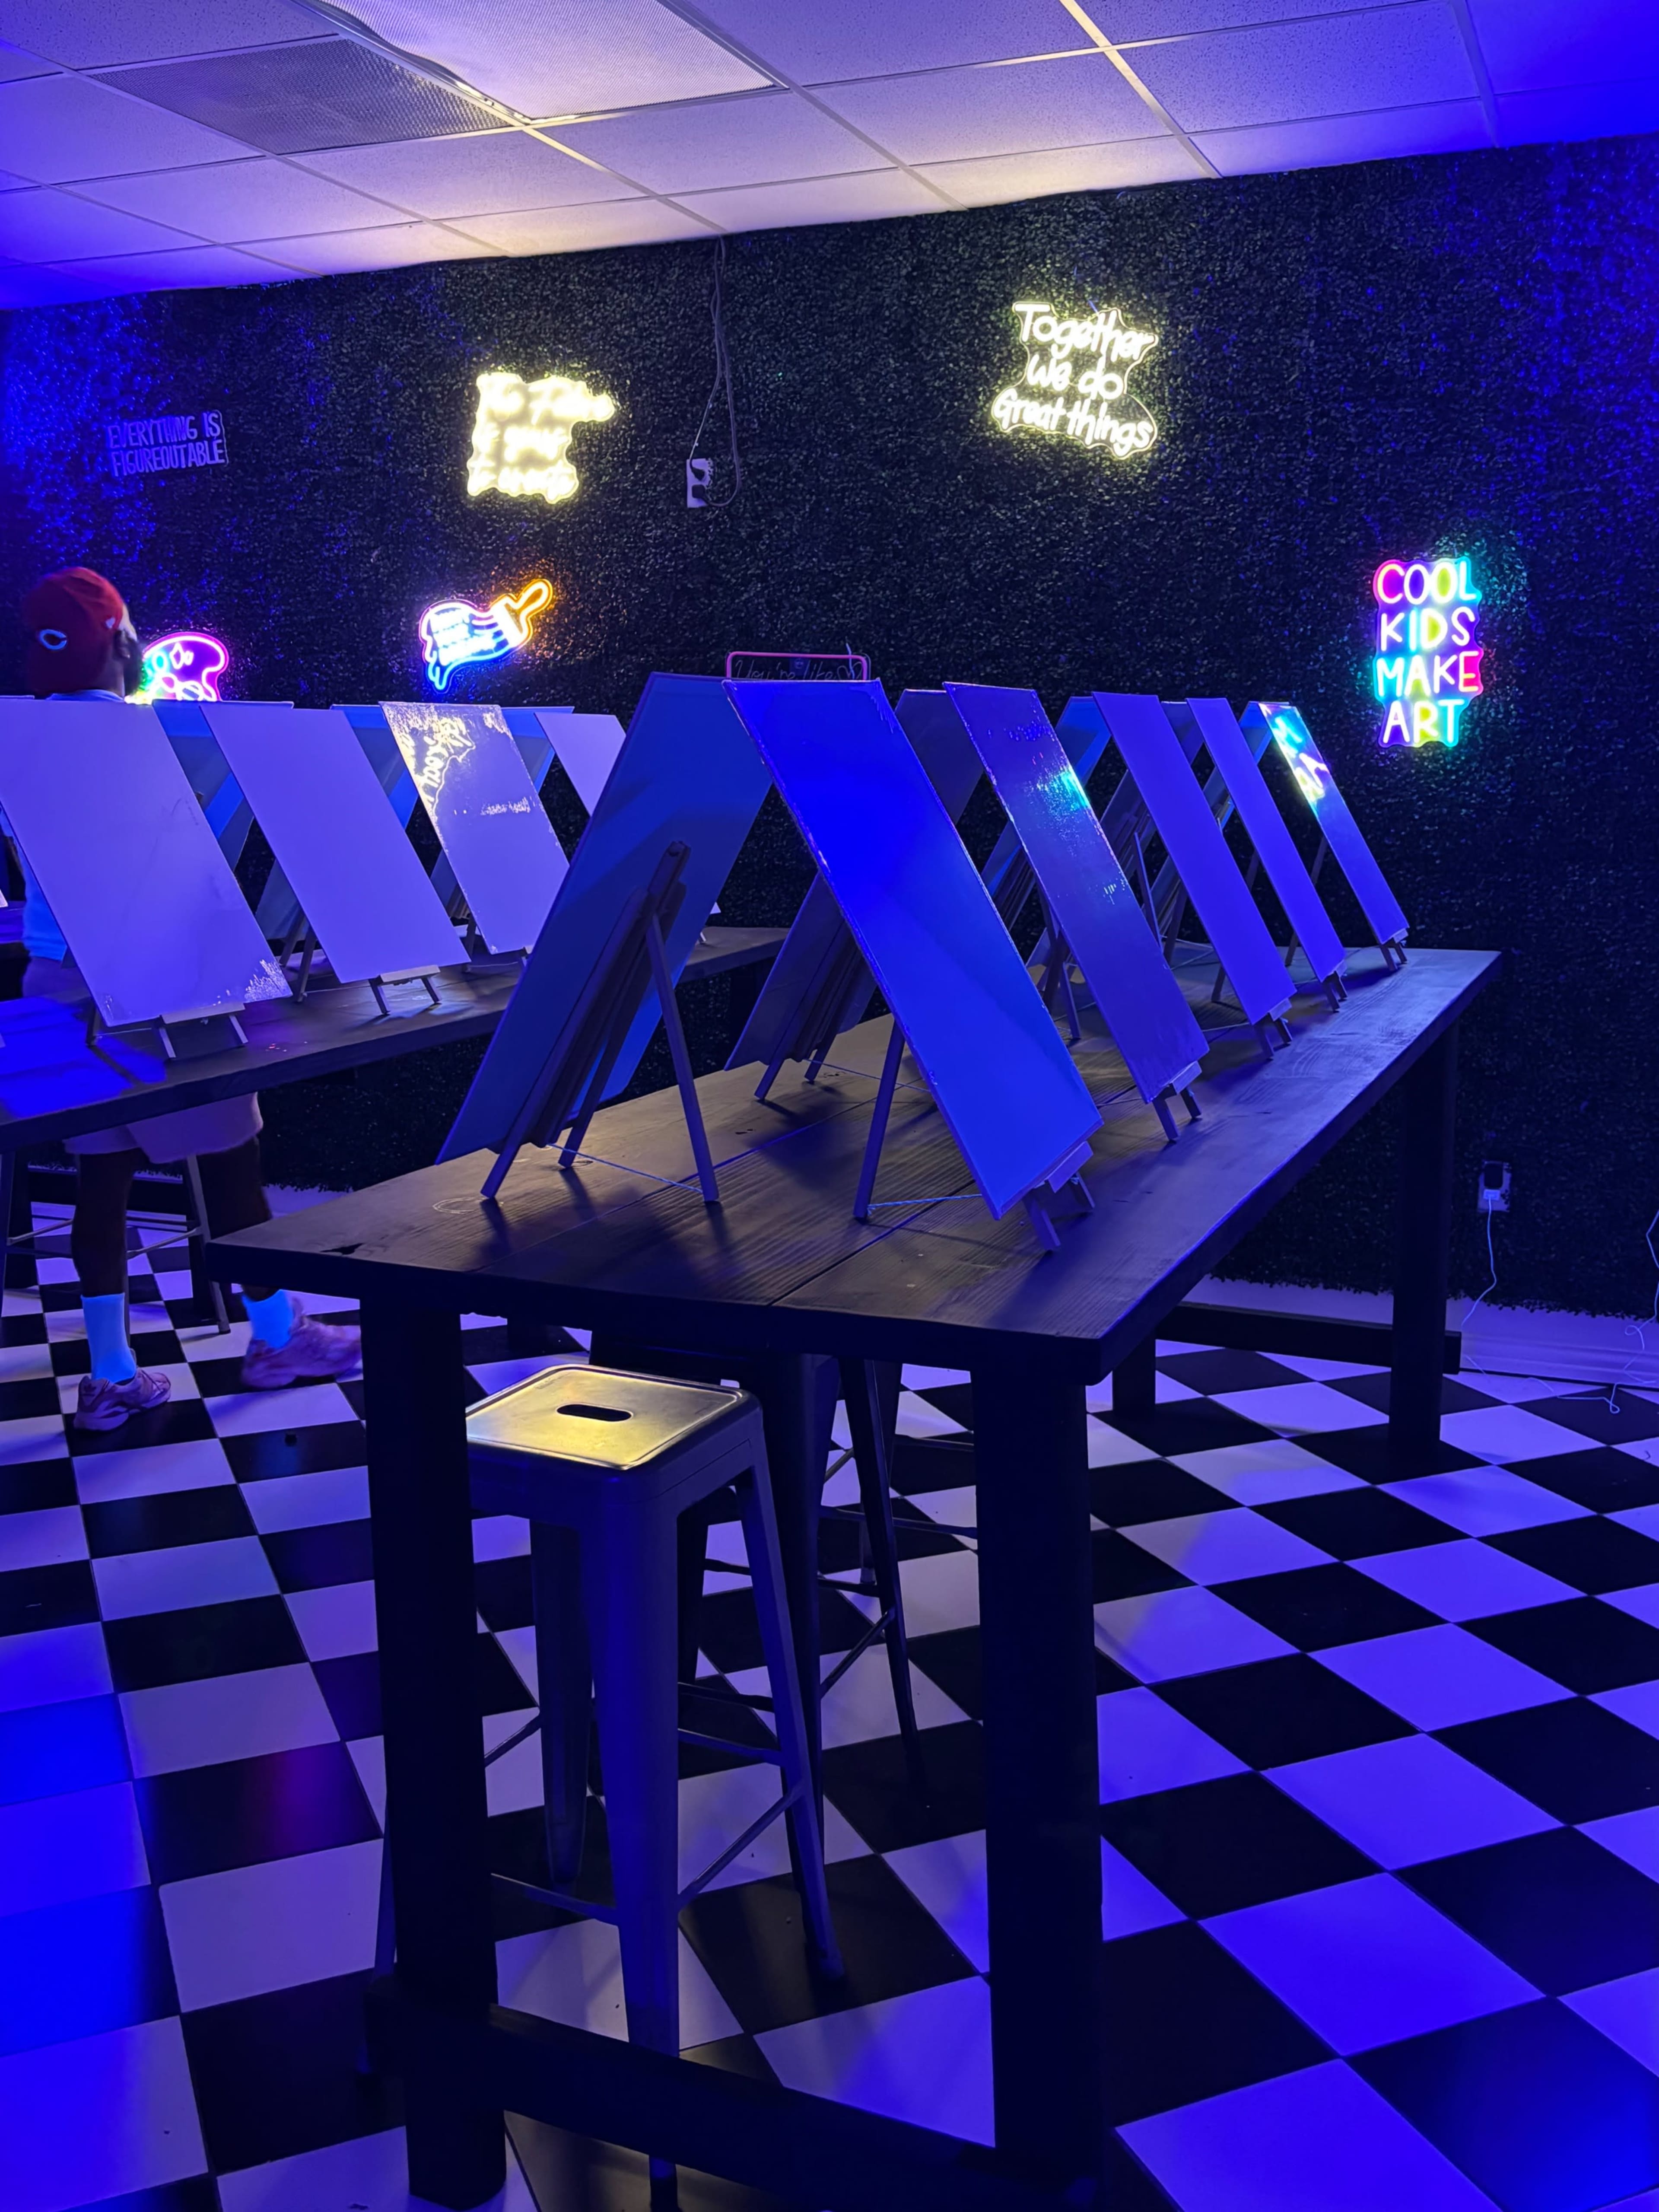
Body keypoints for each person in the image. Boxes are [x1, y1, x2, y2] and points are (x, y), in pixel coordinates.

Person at [16, 567, 359, 1430]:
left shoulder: (16, 736)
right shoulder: (158, 737)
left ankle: (108, 1374)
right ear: (122, 643)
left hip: (59, 983)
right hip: (164, 982)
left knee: (100, 1182)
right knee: (232, 1161)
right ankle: (276, 1337)